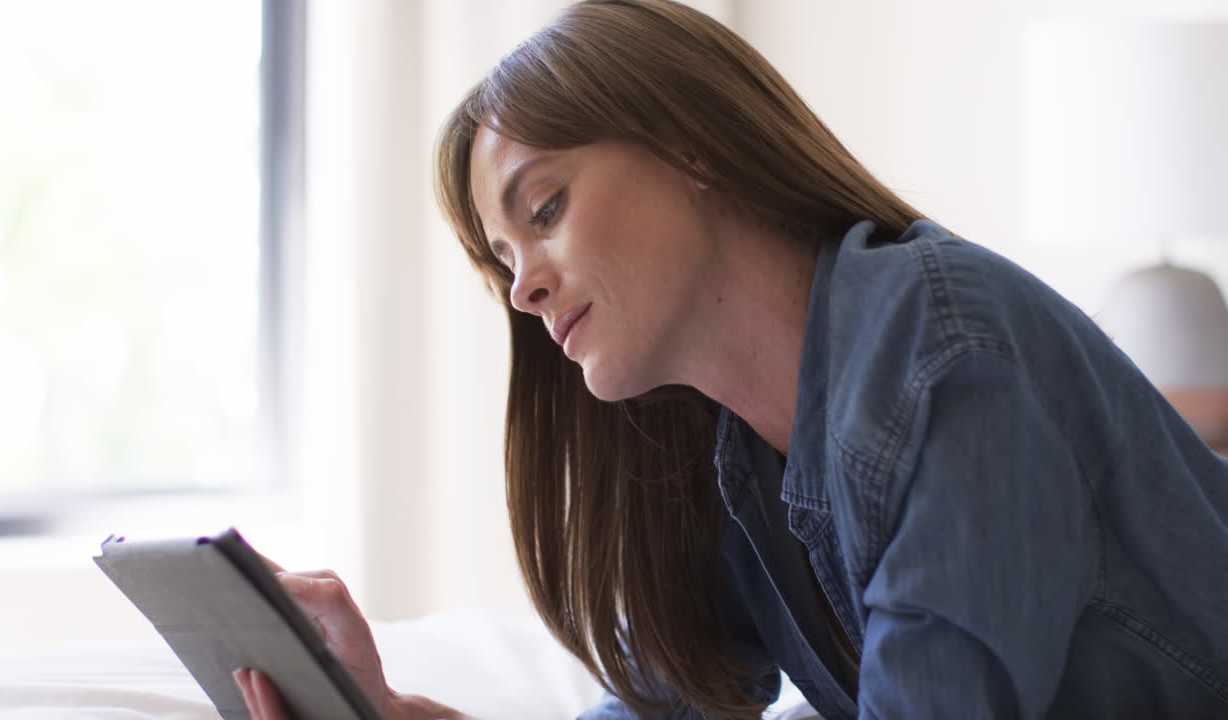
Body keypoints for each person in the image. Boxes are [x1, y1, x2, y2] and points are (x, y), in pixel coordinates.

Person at [236, 0, 1228, 718]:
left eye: (544, 211)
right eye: (502, 262)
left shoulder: (938, 347)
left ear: (687, 147)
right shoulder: (724, 446)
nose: (522, 286)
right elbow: (667, 707)